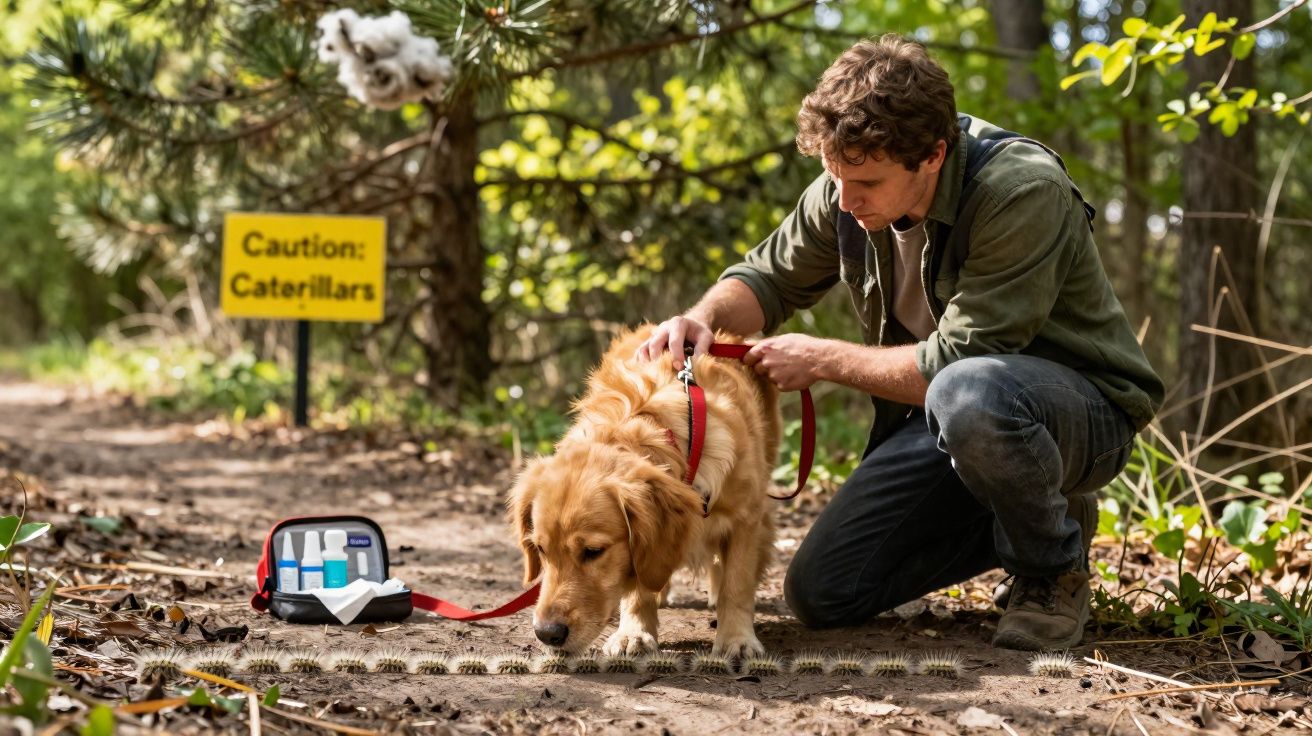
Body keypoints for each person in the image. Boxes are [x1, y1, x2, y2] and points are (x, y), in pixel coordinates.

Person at [635, 34, 1164, 650]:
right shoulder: (846, 188)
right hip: (951, 420)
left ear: (934, 155)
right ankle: (1031, 510)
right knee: (823, 591)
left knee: (968, 392)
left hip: (1077, 416)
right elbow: (767, 279)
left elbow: (958, 361)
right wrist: (700, 318)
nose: (845, 200)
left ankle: (1050, 569)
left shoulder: (1020, 191)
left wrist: (822, 358)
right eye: (833, 176)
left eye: (865, 182)